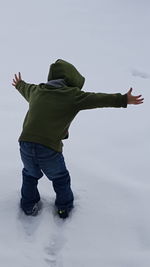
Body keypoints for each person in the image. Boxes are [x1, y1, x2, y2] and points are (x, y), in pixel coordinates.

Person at [12, 59, 144, 218]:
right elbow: (97, 99)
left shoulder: (37, 91)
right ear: (71, 80)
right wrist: (123, 99)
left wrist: (19, 84)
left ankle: (28, 206)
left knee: (30, 174)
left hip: (25, 143)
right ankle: (63, 208)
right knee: (60, 177)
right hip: (48, 147)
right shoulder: (72, 96)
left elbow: (25, 88)